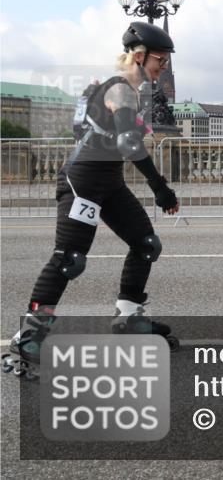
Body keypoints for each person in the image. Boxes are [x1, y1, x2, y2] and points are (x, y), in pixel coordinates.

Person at [2, 22, 181, 380]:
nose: (163, 67)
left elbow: (104, 134)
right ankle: (26, 340)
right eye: (160, 60)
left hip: (108, 181)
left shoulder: (132, 91)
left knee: (146, 243)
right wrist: (159, 188)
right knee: (70, 258)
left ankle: (129, 317)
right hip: (82, 181)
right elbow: (130, 145)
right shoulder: (120, 90)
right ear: (139, 55)